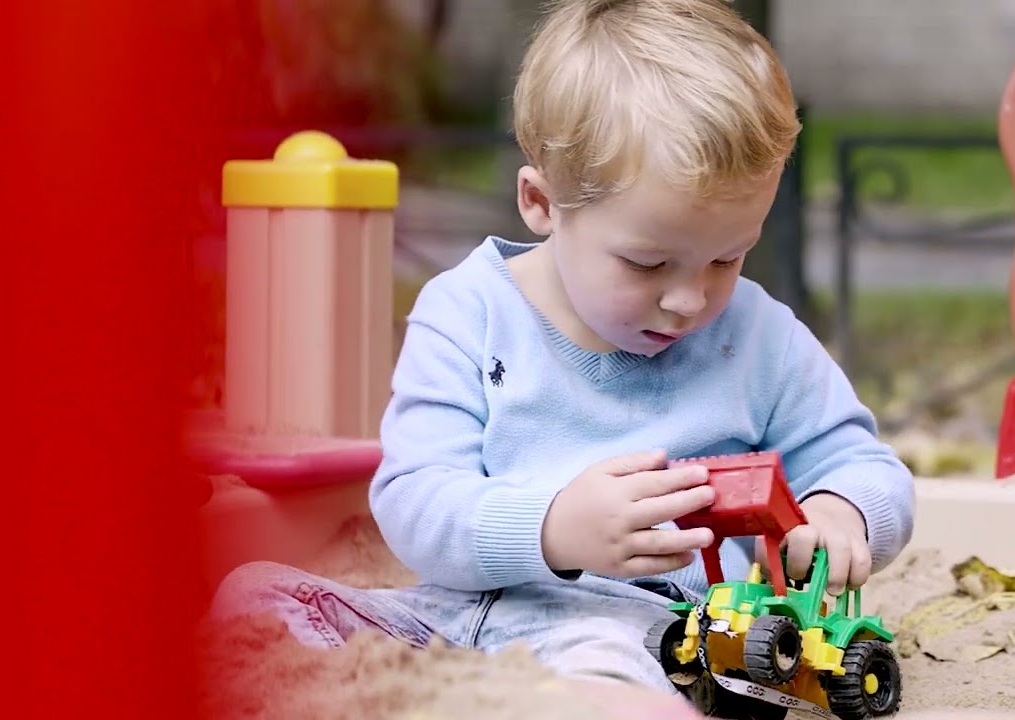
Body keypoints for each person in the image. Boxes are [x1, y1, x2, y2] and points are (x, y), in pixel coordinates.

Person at [208, 0, 915, 703]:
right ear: (541, 203)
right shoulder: (468, 313)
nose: (689, 300)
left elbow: (860, 463)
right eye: (647, 264)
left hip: (648, 625)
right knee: (256, 596)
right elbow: (415, 500)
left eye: (728, 259)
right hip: (454, 615)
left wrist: (840, 513)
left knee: (601, 670)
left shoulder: (759, 339)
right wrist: (550, 529)